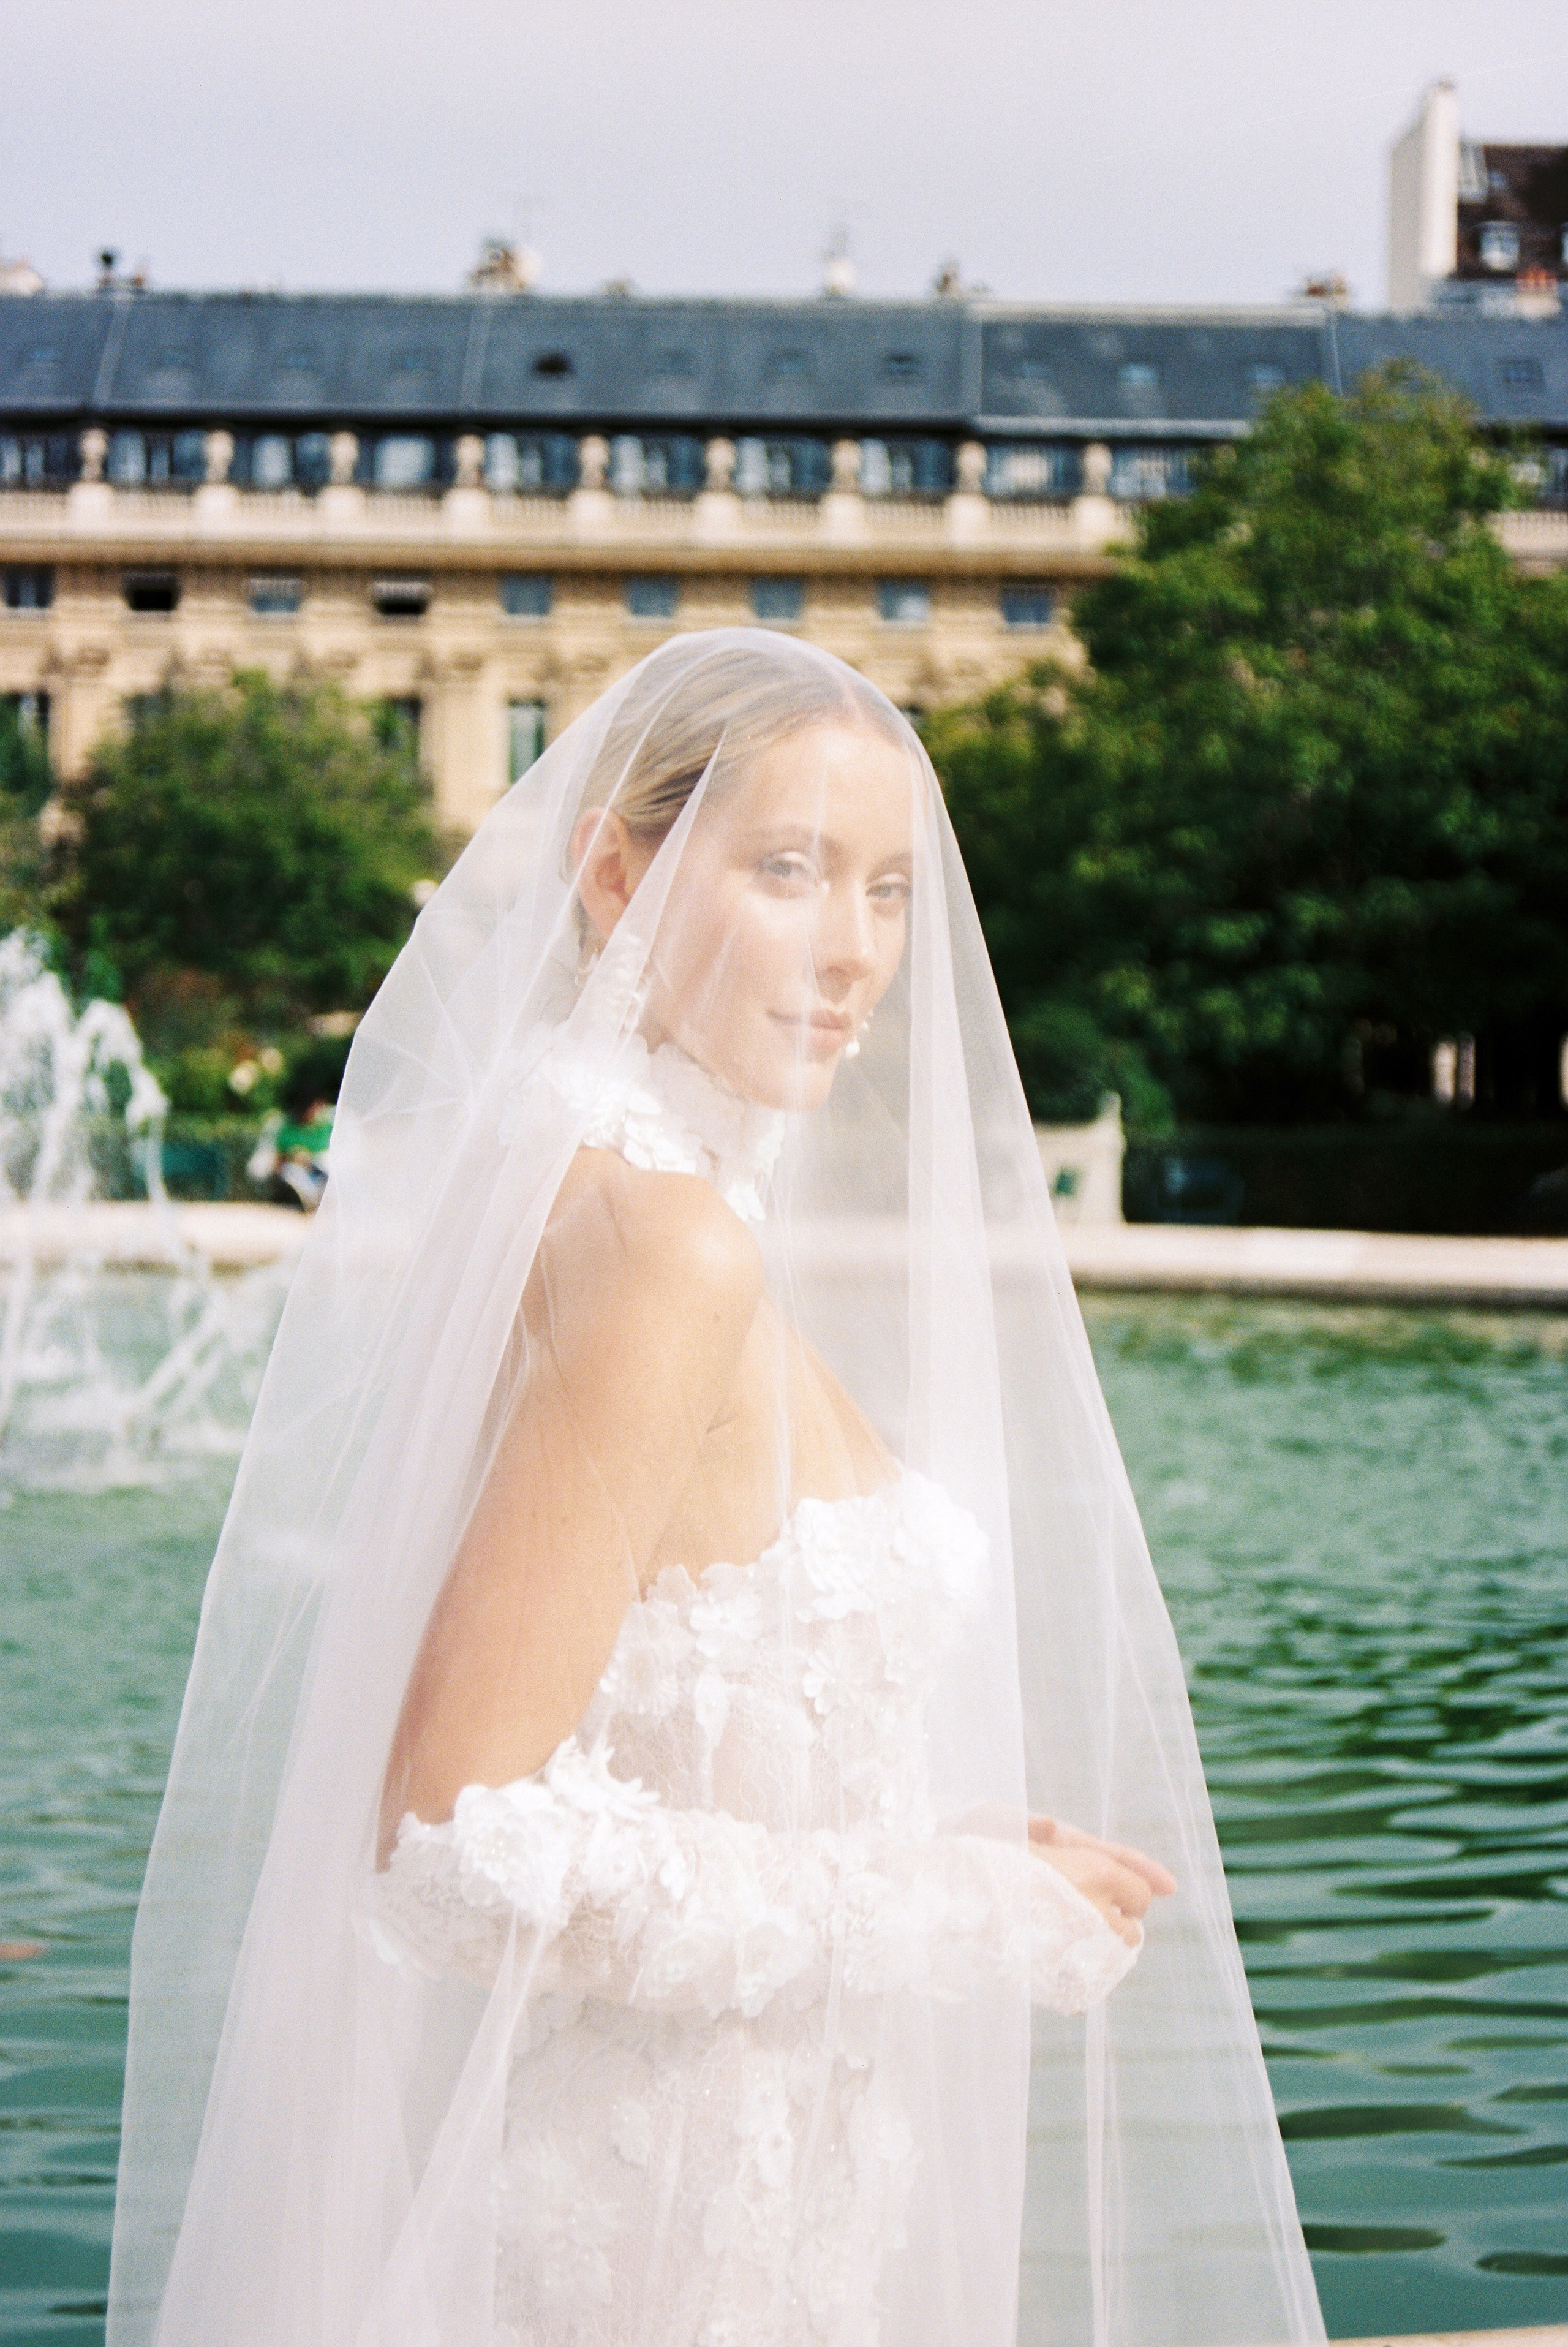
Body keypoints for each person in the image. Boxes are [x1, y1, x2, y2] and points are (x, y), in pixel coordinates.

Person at [108, 633, 1324, 2347]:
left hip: (715, 2217)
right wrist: (939, 1911)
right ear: (615, 876)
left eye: (889, 891)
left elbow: (642, 1721)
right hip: (668, 2260)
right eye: (789, 871)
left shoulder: (598, 1181)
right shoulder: (661, 1242)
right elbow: (452, 1840)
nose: (855, 953)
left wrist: (935, 1849)